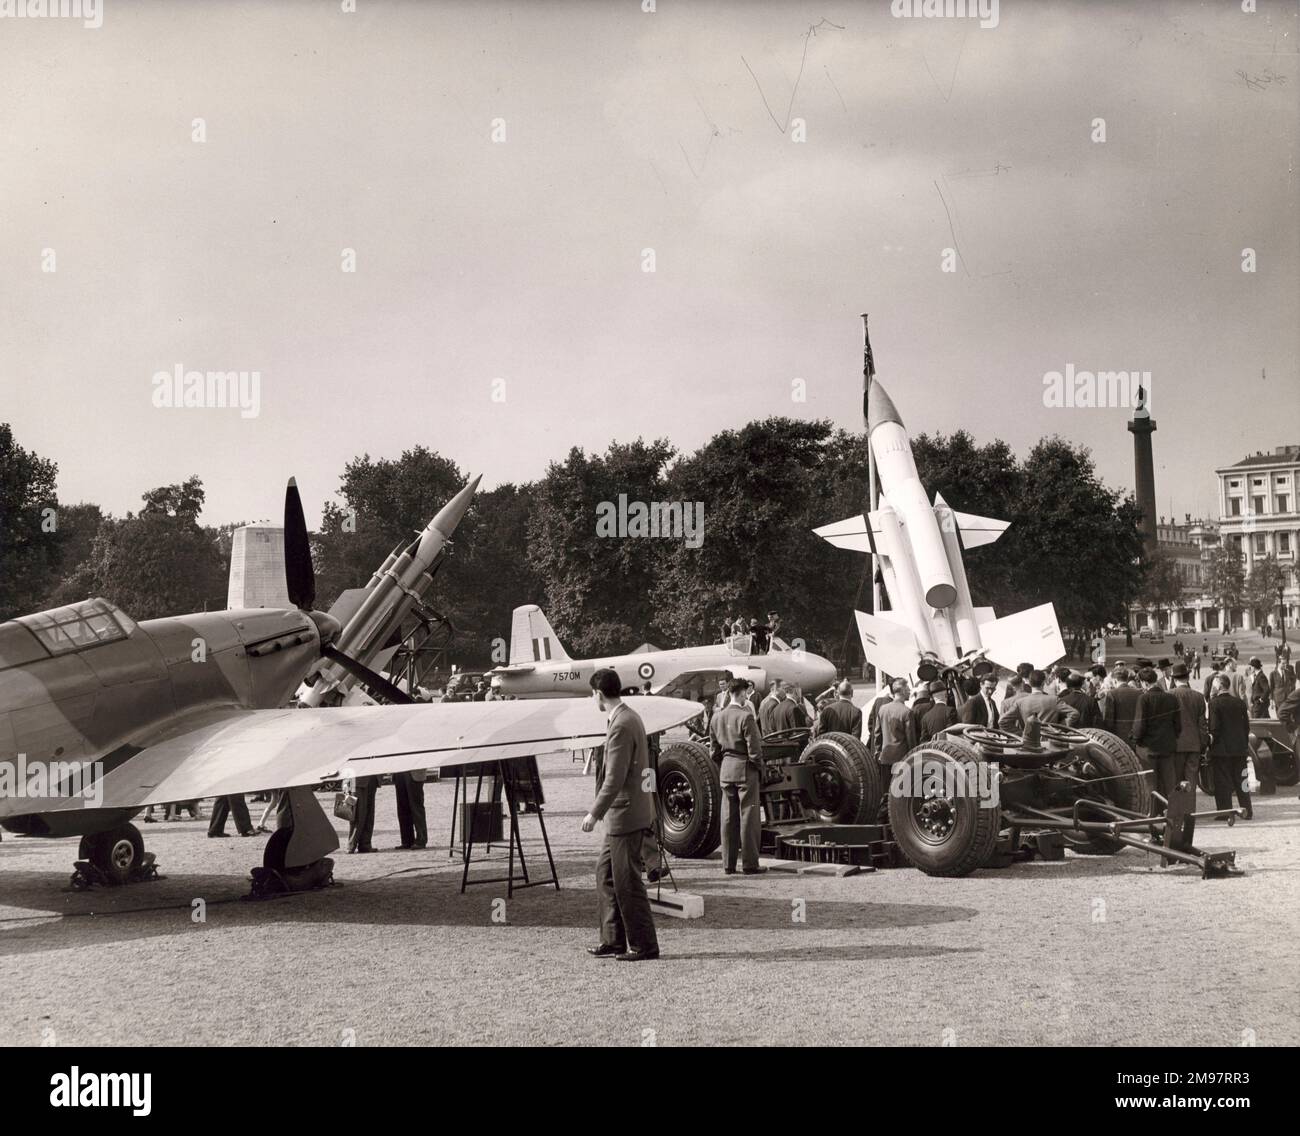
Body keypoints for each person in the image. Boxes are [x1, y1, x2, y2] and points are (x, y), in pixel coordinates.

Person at [582, 668, 659, 961]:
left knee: (628, 882)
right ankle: (613, 939)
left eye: (593, 694)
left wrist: (594, 813)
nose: (593, 698)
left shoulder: (621, 725)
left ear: (599, 694)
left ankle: (644, 946)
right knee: (606, 875)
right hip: (629, 813)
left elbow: (614, 778)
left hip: (624, 816)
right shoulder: (628, 717)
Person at [709, 678, 767, 875]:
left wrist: (724, 763)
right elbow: (755, 751)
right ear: (742, 693)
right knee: (748, 817)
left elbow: (713, 751)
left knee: (727, 818)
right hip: (745, 771)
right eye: (745, 693)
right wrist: (759, 769)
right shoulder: (746, 716)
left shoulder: (716, 717)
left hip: (726, 770)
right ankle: (750, 863)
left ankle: (728, 864)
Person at [1132, 668, 1183, 807]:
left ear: (1144, 682)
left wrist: (1135, 740)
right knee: (1169, 784)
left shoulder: (1143, 698)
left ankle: (1153, 816)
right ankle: (1172, 812)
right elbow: (1178, 725)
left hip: (1148, 749)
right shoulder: (1171, 698)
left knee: (1150, 784)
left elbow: (1139, 725)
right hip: (1167, 746)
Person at [1207, 674, 1252, 819]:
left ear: (1220, 686)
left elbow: (1214, 728)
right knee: (1243, 781)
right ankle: (1247, 811)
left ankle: (1225, 812)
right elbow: (1246, 727)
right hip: (1239, 749)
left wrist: (1210, 744)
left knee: (1222, 783)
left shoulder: (1214, 703)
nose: (1213, 687)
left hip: (1222, 750)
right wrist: (1244, 744)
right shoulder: (1239, 702)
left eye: (1214, 684)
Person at [1168, 663, 1209, 795]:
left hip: (1175, 744)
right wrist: (1203, 745)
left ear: (1174, 679)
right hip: (1193, 744)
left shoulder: (1169, 695)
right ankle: (1189, 812)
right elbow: (1202, 725)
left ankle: (1178, 812)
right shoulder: (1198, 696)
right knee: (1191, 780)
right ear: (1188, 678)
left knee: (1175, 781)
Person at [874, 679, 918, 769]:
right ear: (902, 691)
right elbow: (911, 740)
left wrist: (878, 752)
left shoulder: (882, 709)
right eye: (908, 689)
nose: (910, 692)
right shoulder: (907, 712)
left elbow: (877, 734)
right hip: (902, 760)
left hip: (885, 758)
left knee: (886, 783)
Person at [1102, 667, 1142, 744]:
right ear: (1127, 679)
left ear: (1114, 680)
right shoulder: (1139, 693)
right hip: (1136, 733)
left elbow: (1108, 718)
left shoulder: (1112, 693)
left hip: (1118, 735)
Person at [392, 769, 428, 850]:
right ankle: (406, 840)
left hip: (414, 771)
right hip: (399, 770)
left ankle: (421, 839)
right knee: (402, 807)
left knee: (416, 807)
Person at [346, 774, 378, 854]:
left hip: (373, 777)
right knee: (358, 814)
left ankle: (365, 845)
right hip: (357, 778)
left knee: (369, 814)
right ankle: (351, 845)